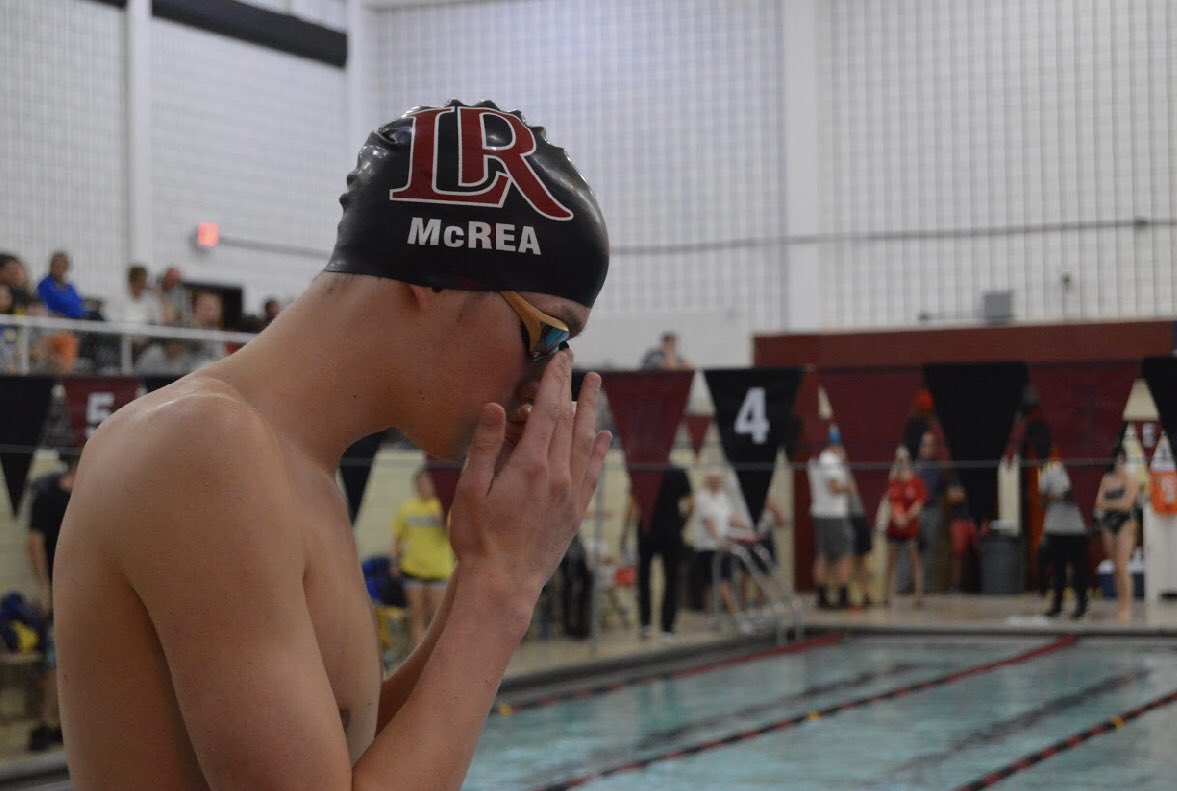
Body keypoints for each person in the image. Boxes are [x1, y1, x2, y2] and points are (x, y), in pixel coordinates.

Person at [54, 100, 610, 790]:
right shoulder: (202, 445)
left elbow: (354, 764)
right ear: (436, 280)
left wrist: (482, 572)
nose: (546, 382)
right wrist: (504, 590)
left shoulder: (292, 466)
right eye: (549, 335)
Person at [26, 453, 78, 752]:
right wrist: (45, 588)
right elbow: (34, 543)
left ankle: (61, 723)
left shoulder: (88, 496)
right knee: (55, 658)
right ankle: (45, 722)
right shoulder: (48, 497)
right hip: (62, 591)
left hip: (84, 590)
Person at [619, 464, 693, 640]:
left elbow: (633, 504)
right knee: (671, 579)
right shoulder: (678, 472)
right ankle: (668, 628)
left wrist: (624, 534)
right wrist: (680, 524)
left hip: (646, 531)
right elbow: (691, 505)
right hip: (671, 531)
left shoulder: (643, 471)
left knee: (644, 579)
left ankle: (646, 624)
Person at [390, 469, 453, 647]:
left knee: (436, 617)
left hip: (438, 570)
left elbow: (453, 538)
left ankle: (435, 653)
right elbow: (398, 538)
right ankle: (417, 652)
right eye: (420, 483)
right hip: (413, 568)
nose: (423, 487)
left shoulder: (444, 507)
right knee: (416, 615)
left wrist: (441, 520)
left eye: (427, 483)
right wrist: (394, 562)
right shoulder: (407, 508)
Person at [692, 466, 747, 620]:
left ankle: (711, 614)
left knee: (718, 582)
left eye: (718, 481)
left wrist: (748, 528)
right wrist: (719, 540)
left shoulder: (722, 497)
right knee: (719, 581)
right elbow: (708, 522)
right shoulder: (702, 498)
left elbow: (731, 517)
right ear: (708, 481)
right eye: (714, 480)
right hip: (708, 547)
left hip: (722, 546)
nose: (716, 483)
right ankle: (735, 614)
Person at [1094, 446, 1141, 623]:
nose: (1118, 463)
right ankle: (1120, 604)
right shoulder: (1105, 479)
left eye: (1121, 459)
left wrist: (1109, 503)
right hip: (1108, 523)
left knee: (1122, 566)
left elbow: (1127, 504)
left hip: (1125, 523)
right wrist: (1117, 504)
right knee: (1115, 567)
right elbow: (1097, 502)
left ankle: (1127, 607)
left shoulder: (1131, 479)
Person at [808, 426, 853, 609]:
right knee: (844, 554)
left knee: (823, 554)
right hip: (833, 514)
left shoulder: (816, 459)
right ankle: (843, 596)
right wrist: (853, 487)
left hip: (821, 512)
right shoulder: (829, 460)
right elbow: (833, 487)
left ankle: (822, 596)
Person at [1039, 459, 1089, 619]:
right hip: (1055, 528)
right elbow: (1041, 501)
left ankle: (1082, 605)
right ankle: (1057, 605)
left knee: (1079, 570)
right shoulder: (1051, 475)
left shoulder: (1084, 475)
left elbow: (1091, 498)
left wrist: (1077, 496)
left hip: (1078, 528)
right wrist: (1055, 497)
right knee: (1057, 569)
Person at [883, 446, 928, 607]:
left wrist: (907, 518)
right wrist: (896, 517)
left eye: (903, 460)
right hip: (894, 528)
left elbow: (919, 504)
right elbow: (890, 503)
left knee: (914, 561)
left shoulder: (916, 482)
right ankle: (887, 595)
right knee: (891, 561)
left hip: (910, 529)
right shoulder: (892, 483)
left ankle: (918, 595)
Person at [913, 430, 947, 592]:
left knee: (929, 550)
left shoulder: (938, 468)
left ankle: (926, 587)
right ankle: (905, 586)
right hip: (913, 511)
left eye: (930, 445)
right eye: (924, 445)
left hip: (931, 510)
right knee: (909, 548)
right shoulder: (914, 466)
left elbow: (932, 491)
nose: (927, 448)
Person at [36, 251, 85, 319]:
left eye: (63, 266)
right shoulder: (45, 285)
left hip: (78, 320)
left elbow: (79, 304)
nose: (60, 269)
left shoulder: (70, 287)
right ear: (51, 266)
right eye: (58, 266)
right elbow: (45, 308)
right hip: (59, 321)